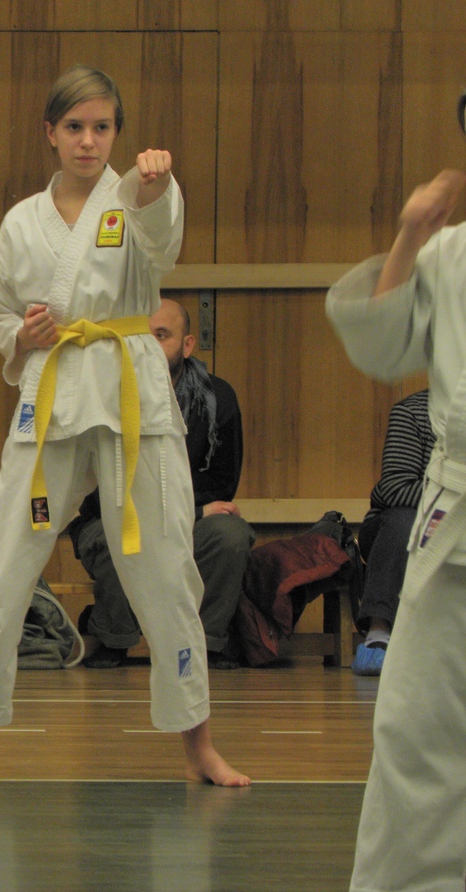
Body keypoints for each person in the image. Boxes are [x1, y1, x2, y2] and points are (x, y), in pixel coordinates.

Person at [0, 65, 249, 789]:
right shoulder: (21, 221)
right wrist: (22, 336)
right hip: (55, 393)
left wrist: (155, 190)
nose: (88, 141)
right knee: (5, 567)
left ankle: (199, 746)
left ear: (117, 133)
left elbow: (163, 247)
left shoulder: (140, 194)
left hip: (131, 394)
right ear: (50, 134)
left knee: (166, 568)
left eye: (101, 127)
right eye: (74, 127)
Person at [326, 93, 466, 891]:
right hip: (454, 518)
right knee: (415, 729)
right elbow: (382, 349)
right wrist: (411, 236)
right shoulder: (449, 255)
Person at [68, 298, 255, 670]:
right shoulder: (102, 393)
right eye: (141, 336)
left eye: (162, 335)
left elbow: (222, 483)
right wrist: (178, 511)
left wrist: (190, 513)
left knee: (229, 535)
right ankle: (114, 638)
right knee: (117, 535)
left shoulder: (217, 398)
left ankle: (206, 641)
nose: (149, 346)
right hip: (112, 515)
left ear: (187, 345)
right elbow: (95, 487)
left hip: (186, 519)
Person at [351, 389, 433, 676]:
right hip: (400, 526)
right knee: (404, 521)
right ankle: (379, 632)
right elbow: (396, 488)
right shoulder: (413, 412)